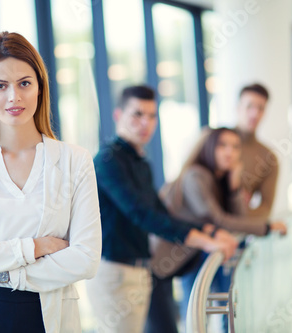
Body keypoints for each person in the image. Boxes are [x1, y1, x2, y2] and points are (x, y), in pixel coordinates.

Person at [0, 31, 102, 333]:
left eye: (25, 83)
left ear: (39, 87)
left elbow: (85, 259)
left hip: (48, 318)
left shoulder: (75, 161)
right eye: (0, 86)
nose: (14, 97)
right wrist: (36, 246)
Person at [85, 85, 238, 333]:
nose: (145, 123)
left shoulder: (141, 162)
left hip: (140, 269)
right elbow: (142, 215)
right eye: (137, 114)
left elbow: (161, 212)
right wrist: (204, 242)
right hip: (115, 272)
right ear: (118, 115)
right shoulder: (107, 161)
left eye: (151, 116)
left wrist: (208, 230)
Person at [151, 127, 287, 329]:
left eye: (235, 146)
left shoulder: (221, 177)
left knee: (222, 310)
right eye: (222, 145)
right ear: (210, 148)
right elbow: (219, 220)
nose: (229, 152)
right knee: (193, 317)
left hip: (203, 253)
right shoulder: (195, 176)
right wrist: (266, 227)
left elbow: (238, 217)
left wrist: (234, 187)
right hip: (176, 257)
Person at [236, 83, 278, 218]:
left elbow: (265, 209)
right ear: (238, 108)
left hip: (233, 232)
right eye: (249, 106)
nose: (255, 114)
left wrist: (238, 216)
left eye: (261, 108)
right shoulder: (212, 140)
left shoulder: (268, 158)